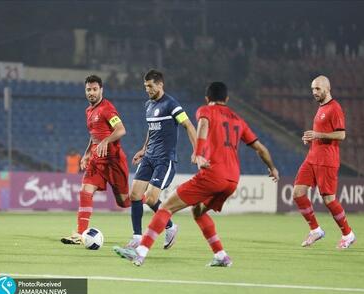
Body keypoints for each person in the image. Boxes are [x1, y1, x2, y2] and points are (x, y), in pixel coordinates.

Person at [113, 81, 279, 266]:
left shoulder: (205, 111)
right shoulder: (238, 120)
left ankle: (140, 252)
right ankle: (221, 256)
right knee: (198, 211)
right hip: (232, 179)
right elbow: (260, 148)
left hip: (212, 174)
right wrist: (272, 168)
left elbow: (202, 126)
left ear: (207, 98)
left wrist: (199, 153)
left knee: (165, 207)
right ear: (227, 99)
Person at [126, 69, 197, 250]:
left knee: (150, 199)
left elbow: (188, 125)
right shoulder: (148, 105)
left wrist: (197, 150)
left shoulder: (171, 105)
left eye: (150, 86)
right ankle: (136, 237)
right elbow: (152, 129)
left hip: (164, 160)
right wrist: (143, 149)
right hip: (149, 157)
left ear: (160, 84)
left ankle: (171, 227)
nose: (147, 90)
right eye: (145, 86)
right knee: (134, 195)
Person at [61, 75, 131, 244]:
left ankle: (148, 198)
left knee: (124, 202)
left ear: (101, 90)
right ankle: (80, 234)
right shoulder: (89, 111)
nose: (91, 93)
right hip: (96, 160)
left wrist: (106, 141)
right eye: (88, 89)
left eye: (94, 89)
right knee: (85, 192)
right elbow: (93, 136)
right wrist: (86, 154)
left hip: (113, 161)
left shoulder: (107, 109)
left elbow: (121, 130)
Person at [293, 75, 355, 249]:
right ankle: (315, 230)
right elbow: (320, 133)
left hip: (327, 160)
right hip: (312, 158)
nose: (314, 92)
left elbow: (341, 134)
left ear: (327, 88)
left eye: (318, 88)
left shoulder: (335, 108)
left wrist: (318, 135)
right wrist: (310, 138)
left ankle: (348, 234)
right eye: (313, 89)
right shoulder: (321, 107)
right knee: (298, 193)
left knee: (329, 200)